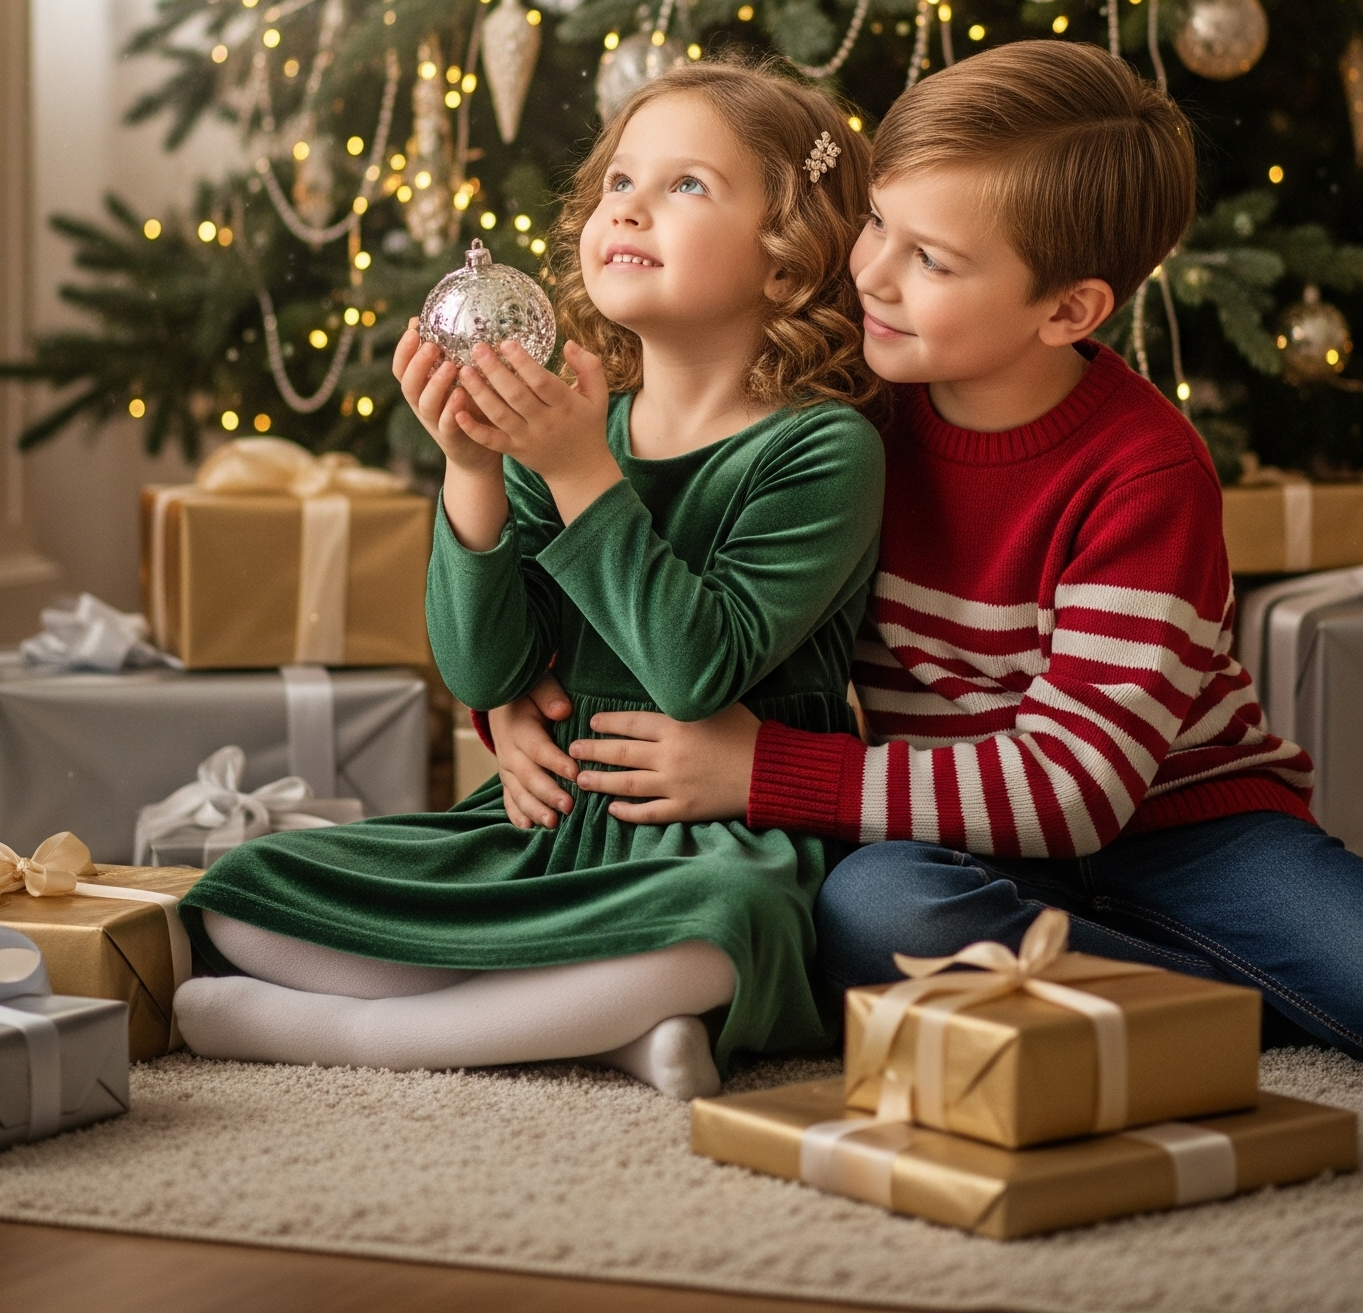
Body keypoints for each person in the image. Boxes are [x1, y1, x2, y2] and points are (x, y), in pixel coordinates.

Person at [488, 40, 1363, 1073]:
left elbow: (1072, 792)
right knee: (874, 911)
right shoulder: (842, 411)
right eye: (876, 222)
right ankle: (1253, 1004)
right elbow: (674, 580)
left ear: (1068, 308)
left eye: (929, 259)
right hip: (958, 849)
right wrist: (510, 697)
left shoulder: (1143, 471)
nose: (866, 270)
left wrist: (771, 771)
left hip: (1183, 821)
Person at [175, 62, 884, 1099]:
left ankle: (377, 1037)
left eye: (687, 185)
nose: (629, 205)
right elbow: (484, 661)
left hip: (725, 836)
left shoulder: (821, 448)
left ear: (784, 265)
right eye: (618, 183)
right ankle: (611, 1034)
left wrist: (577, 473)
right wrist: (470, 469)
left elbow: (696, 670)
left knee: (721, 929)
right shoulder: (563, 425)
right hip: (550, 820)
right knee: (241, 889)